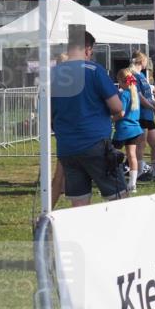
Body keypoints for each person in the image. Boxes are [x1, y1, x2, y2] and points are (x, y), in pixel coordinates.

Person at [51, 29, 127, 206]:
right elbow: (117, 107)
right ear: (87, 49)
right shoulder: (94, 70)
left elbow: (48, 112)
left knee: (79, 203)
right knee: (119, 199)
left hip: (67, 146)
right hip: (94, 142)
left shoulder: (54, 74)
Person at [112, 69, 145, 192]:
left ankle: (114, 181)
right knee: (132, 156)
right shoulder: (134, 93)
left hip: (123, 130)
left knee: (112, 155)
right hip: (135, 129)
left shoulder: (124, 94)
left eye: (119, 81)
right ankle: (132, 184)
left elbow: (121, 113)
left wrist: (111, 119)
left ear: (122, 81)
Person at [130, 51, 155, 181]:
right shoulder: (133, 75)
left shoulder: (142, 75)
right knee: (141, 144)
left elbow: (148, 96)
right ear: (142, 61)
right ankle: (139, 171)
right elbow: (139, 97)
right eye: (146, 60)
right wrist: (153, 108)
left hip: (148, 115)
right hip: (140, 114)